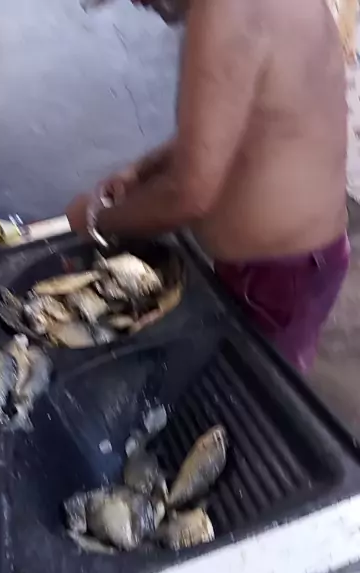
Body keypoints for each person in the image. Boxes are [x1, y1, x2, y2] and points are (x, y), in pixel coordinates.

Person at [67, 0, 349, 372]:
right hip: (303, 264)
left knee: (250, 387)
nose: (137, 2)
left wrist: (94, 220)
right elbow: (242, 118)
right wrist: (141, 171)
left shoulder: (225, 10)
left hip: (279, 277)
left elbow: (189, 195)